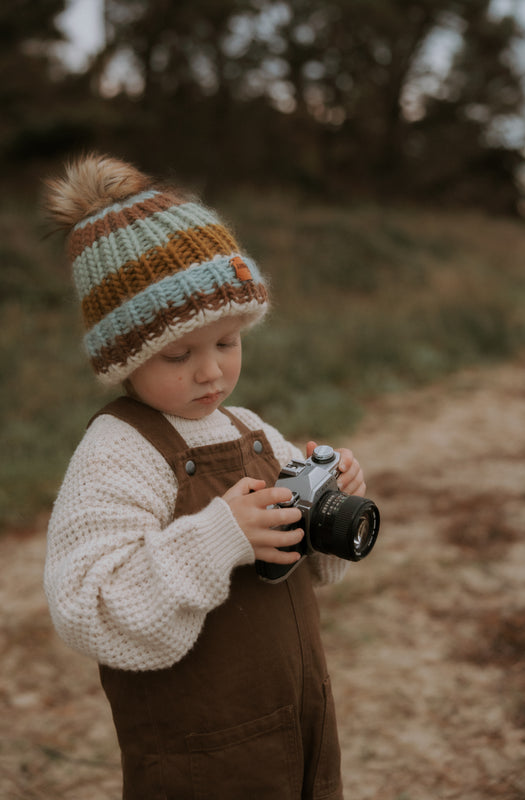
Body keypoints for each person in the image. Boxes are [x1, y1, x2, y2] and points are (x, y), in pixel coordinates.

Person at [43, 153, 367, 800]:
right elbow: (87, 605)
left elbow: (306, 564)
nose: (210, 373)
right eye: (178, 354)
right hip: (197, 751)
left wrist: (331, 507)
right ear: (123, 358)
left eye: (227, 343)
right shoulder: (118, 450)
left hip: (297, 719)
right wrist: (220, 538)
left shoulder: (246, 427)